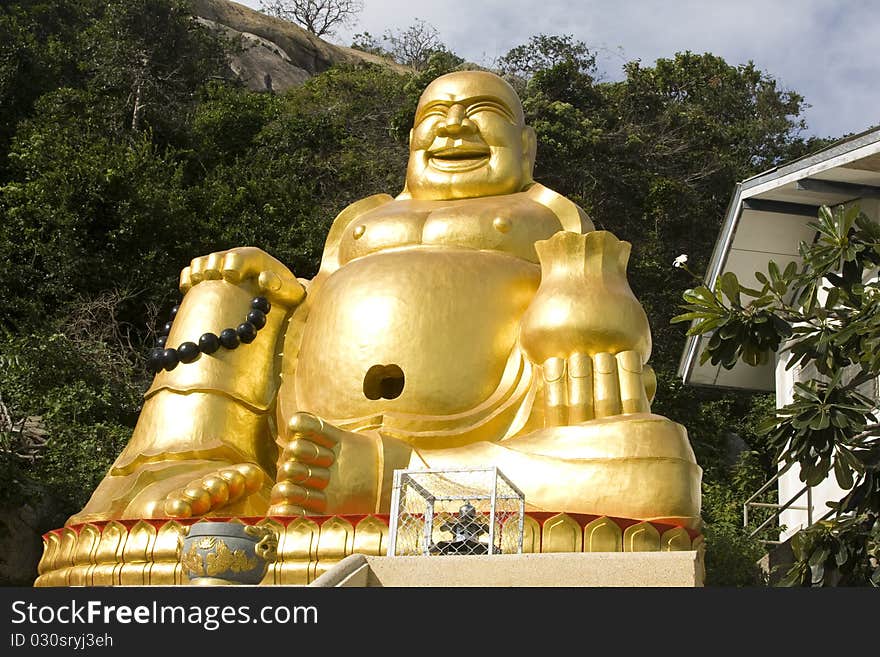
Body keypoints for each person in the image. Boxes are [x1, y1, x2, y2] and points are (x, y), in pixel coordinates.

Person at [69, 70, 700, 530]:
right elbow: (309, 302)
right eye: (434, 116)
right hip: (307, 432)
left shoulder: (547, 215)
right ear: (409, 143)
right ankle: (182, 464)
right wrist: (271, 281)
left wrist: (584, 297)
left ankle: (387, 477)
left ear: (527, 147)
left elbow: (606, 323)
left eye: (481, 111)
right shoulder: (364, 220)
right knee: (224, 285)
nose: (453, 125)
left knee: (657, 469)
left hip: (491, 424)